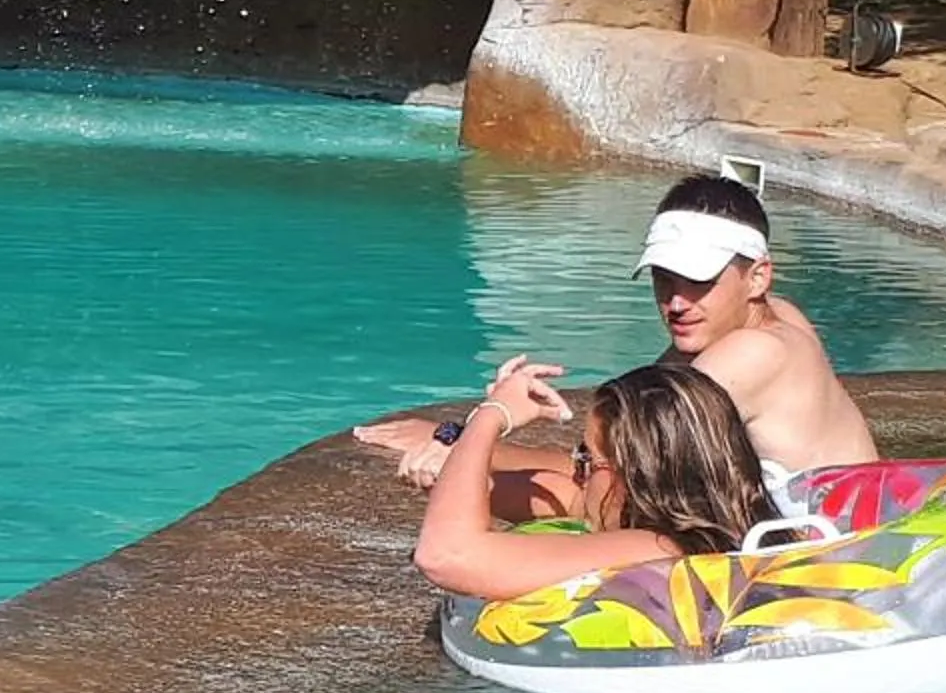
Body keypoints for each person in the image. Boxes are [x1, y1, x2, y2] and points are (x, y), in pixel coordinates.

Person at [357, 173, 876, 507]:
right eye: (664, 279)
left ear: (758, 276)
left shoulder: (751, 354)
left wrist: (465, 438)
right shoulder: (773, 316)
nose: (675, 302)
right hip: (854, 533)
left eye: (699, 281)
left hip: (833, 567)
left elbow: (592, 475)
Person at [412, 354, 778, 603]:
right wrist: (455, 477)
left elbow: (445, 555)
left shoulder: (658, 551)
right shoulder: (729, 528)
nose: (577, 472)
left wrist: (488, 418)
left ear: (636, 478)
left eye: (586, 457)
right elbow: (565, 496)